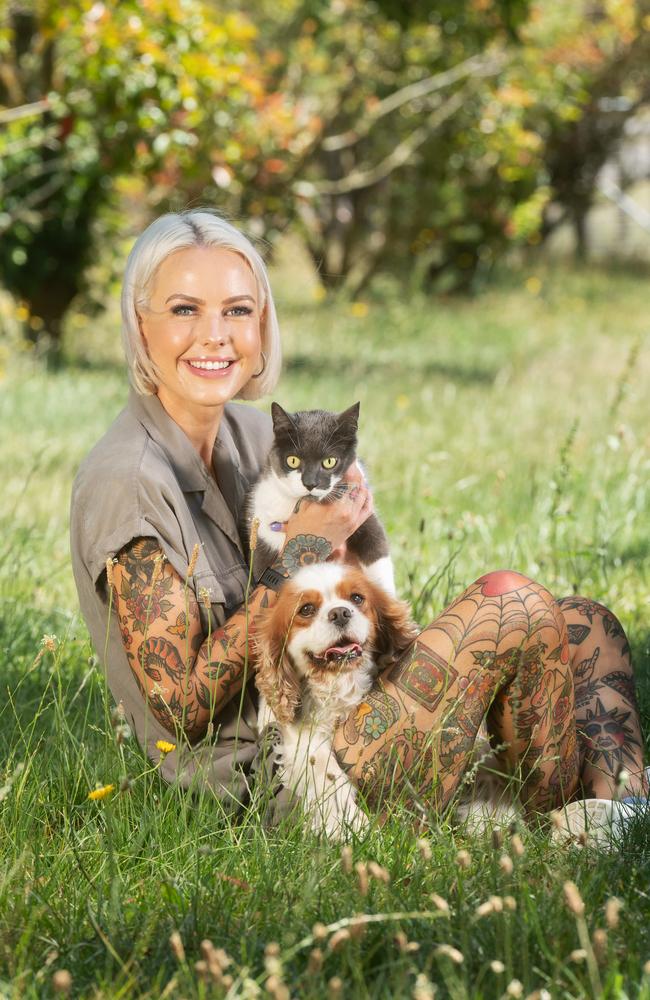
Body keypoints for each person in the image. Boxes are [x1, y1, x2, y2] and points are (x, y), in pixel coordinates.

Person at [70, 209, 647, 837]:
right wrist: (300, 551)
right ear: (138, 321)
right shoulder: (127, 482)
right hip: (276, 775)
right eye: (184, 310)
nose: (215, 335)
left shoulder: (259, 435)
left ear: (262, 325)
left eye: (237, 311)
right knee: (508, 602)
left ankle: (623, 818)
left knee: (586, 624)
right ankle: (552, 825)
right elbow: (180, 708)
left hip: (348, 700)